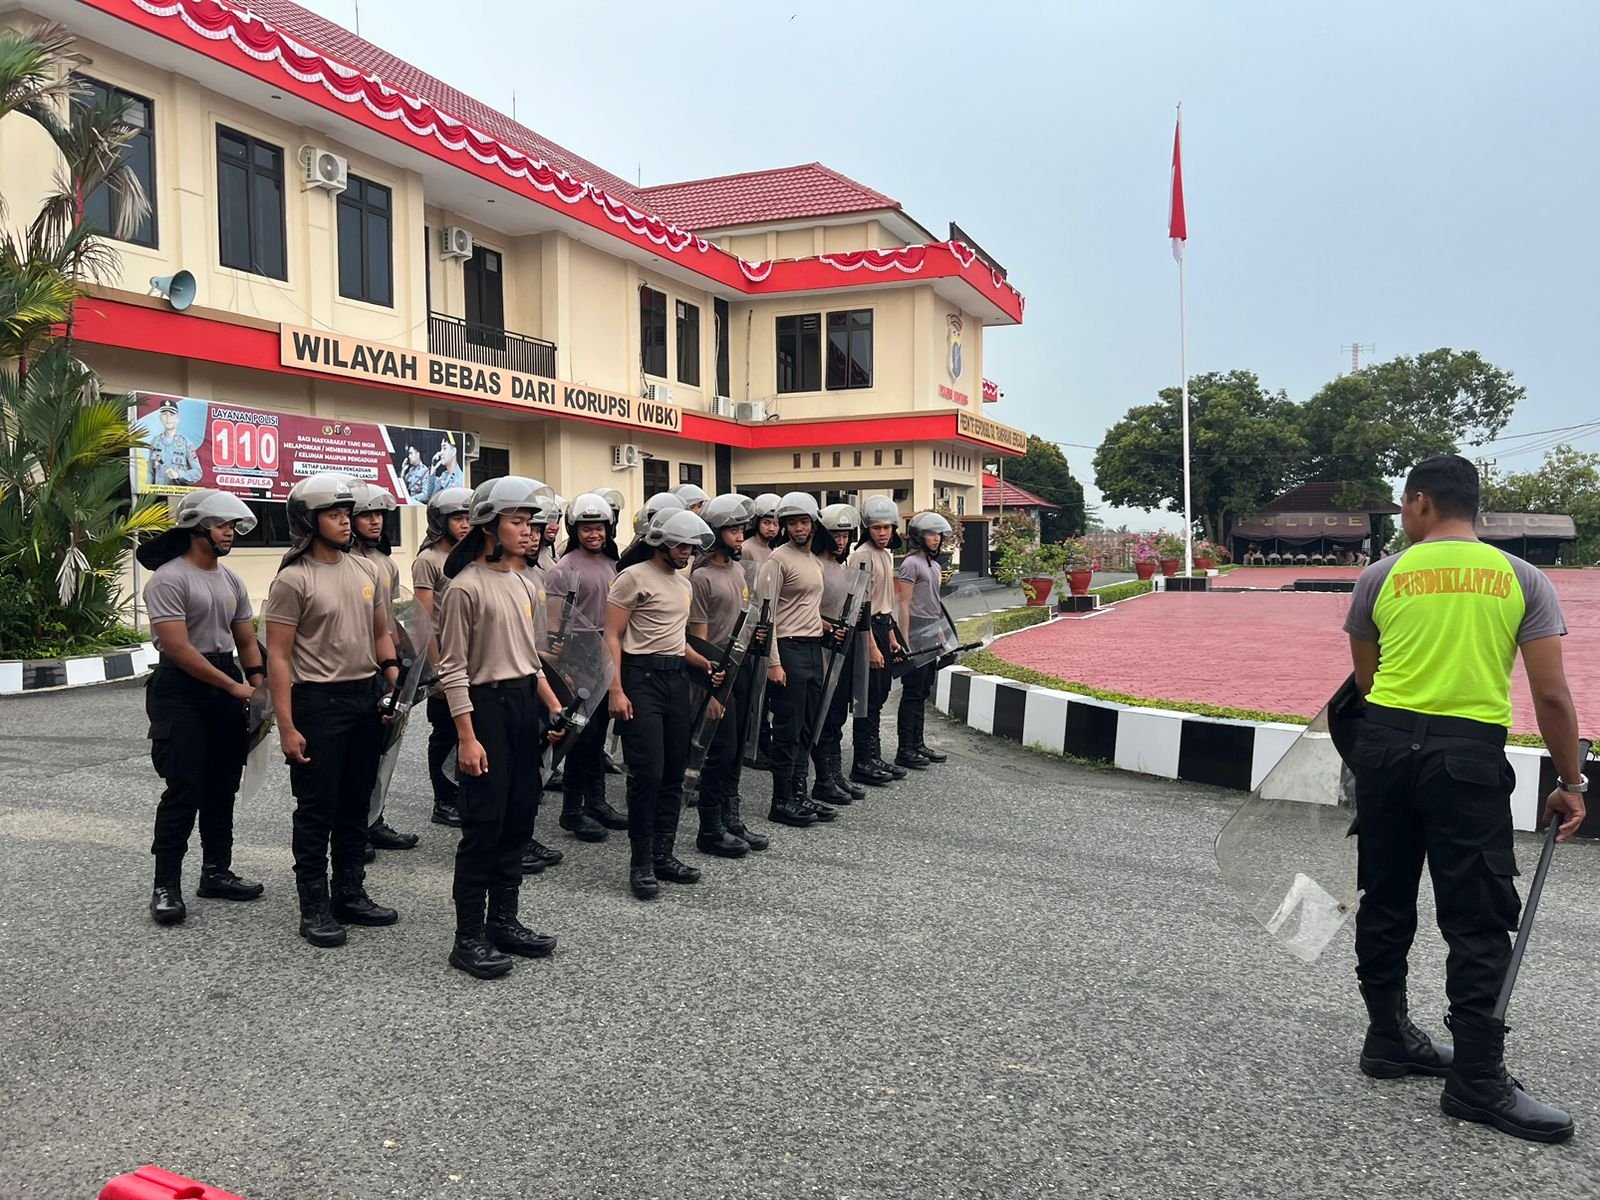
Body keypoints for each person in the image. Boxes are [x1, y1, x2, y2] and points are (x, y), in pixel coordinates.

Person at [1343, 454, 1586, 1144]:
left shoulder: (1379, 575)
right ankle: (1477, 1080)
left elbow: (1369, 680)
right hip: (1465, 760)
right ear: (1472, 508)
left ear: (1421, 504)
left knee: (1384, 899)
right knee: (1476, 917)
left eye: (1403, 504)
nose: (1402, 514)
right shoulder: (1522, 579)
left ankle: (1387, 1037)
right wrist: (1571, 784)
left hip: (1385, 753)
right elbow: (1550, 696)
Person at [264, 475, 403, 948]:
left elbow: (382, 631)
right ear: (308, 520)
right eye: (335, 514)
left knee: (355, 803)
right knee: (317, 809)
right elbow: (277, 657)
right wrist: (286, 726)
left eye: (348, 513)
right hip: (317, 705)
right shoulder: (292, 579)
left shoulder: (366, 572)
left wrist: (390, 673)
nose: (346, 521)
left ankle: (350, 892)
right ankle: (315, 905)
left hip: (364, 698)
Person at [437, 476, 566, 979]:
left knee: (518, 816)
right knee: (483, 826)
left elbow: (528, 661)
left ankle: (503, 921)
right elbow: (452, 670)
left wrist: (553, 707)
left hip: (521, 705)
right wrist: (467, 738)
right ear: (490, 526)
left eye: (530, 523)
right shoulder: (465, 587)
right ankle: (467, 937)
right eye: (518, 522)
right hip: (484, 710)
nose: (528, 531)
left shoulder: (523, 582)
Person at [137, 490, 266, 926]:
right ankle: (165, 885)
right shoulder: (169, 579)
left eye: (232, 527)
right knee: (183, 789)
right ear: (197, 529)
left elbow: (245, 638)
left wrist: (259, 684)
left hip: (223, 683)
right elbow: (177, 647)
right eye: (222, 526)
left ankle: (216, 872)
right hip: (180, 689)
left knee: (222, 786)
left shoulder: (230, 580)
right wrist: (234, 687)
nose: (230, 533)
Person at [605, 508, 721, 899]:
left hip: (675, 678)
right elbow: (613, 636)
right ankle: (640, 864)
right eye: (679, 544)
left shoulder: (684, 583)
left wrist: (701, 662)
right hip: (641, 680)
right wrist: (616, 689)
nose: (686, 550)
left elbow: (675, 637)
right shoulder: (632, 578)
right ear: (659, 542)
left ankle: (663, 854)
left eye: (691, 545)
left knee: (675, 769)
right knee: (648, 772)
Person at [543, 491, 629, 842]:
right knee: (581, 734)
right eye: (587, 528)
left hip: (606, 651)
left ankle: (597, 801)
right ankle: (573, 809)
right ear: (574, 529)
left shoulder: (614, 564)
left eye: (600, 528)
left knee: (598, 735)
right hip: (576, 652)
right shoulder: (565, 569)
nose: (594, 534)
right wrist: (559, 662)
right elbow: (552, 626)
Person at [688, 493, 766, 856]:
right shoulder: (701, 578)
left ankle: (730, 817)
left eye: (740, 528)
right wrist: (711, 690)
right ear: (715, 533)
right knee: (716, 752)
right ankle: (710, 827)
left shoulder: (739, 570)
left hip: (741, 668)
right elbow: (700, 639)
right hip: (713, 674)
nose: (739, 536)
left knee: (734, 749)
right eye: (732, 530)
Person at [349, 482, 420, 855]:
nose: (375, 522)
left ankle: (373, 818)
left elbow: (389, 621)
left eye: (379, 515)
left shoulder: (386, 564)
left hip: (384, 666)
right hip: (351, 666)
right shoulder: (342, 563)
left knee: (385, 747)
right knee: (356, 755)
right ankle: (352, 827)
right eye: (366, 515)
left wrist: (406, 659)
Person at [764, 492, 842, 828]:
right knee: (788, 728)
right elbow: (767, 615)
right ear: (784, 526)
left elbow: (803, 607)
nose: (798, 527)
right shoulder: (777, 560)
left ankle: (800, 794)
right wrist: (773, 662)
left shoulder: (813, 561)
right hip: (788, 650)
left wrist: (826, 627)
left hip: (813, 648)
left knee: (810, 726)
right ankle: (781, 800)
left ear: (813, 524)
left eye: (804, 521)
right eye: (792, 522)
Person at [413, 486, 475, 828]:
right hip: (443, 658)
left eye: (469, 517)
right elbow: (425, 621)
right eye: (457, 518)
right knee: (446, 734)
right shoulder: (429, 560)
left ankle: (464, 794)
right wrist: (436, 671)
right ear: (440, 521)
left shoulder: (470, 556)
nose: (465, 525)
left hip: (470, 656)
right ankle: (443, 799)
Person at [810, 503, 869, 807]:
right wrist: (829, 628)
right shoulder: (815, 567)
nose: (841, 541)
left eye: (846, 535)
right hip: (821, 650)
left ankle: (835, 774)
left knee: (837, 717)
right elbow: (807, 612)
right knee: (823, 717)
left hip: (843, 651)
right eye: (835, 534)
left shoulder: (846, 570)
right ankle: (822, 779)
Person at [847, 496, 907, 787]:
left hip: (884, 627)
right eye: (876, 528)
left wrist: (892, 637)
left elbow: (886, 603)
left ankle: (875, 756)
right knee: (867, 697)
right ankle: (862, 761)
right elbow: (861, 606)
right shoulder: (861, 556)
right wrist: (871, 645)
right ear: (866, 529)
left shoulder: (886, 554)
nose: (882, 533)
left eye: (887, 528)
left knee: (881, 694)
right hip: (865, 630)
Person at [896, 511, 952, 770]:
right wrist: (905, 640)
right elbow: (904, 604)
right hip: (915, 629)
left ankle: (918, 743)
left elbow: (935, 603)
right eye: (931, 534)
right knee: (912, 691)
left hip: (931, 629)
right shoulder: (910, 564)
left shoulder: (936, 565)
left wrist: (941, 633)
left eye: (939, 534)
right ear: (919, 537)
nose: (936, 538)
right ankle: (905, 748)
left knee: (924, 690)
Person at [147, 398, 202, 487]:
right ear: (160, 418)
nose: (168, 418)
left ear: (177, 419)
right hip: (158, 494)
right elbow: (150, 471)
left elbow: (197, 472)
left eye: (172, 414)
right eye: (165, 414)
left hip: (178, 494)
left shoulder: (186, 443)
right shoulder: (155, 442)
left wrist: (179, 474)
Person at [743, 493, 781, 565]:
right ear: (756, 523)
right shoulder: (746, 549)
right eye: (766, 523)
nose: (771, 529)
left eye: (776, 524)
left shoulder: (771, 550)